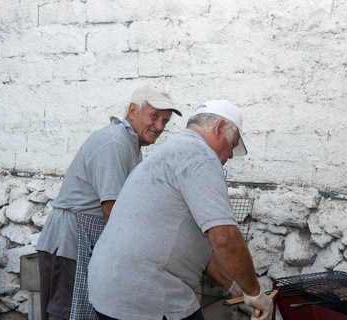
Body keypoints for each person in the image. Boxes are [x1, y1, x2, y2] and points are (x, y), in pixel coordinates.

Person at [87, 100, 274, 320]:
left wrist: (235, 286)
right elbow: (224, 237)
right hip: (146, 293)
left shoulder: (173, 150)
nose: (231, 155)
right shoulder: (201, 155)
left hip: (109, 288)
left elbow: (192, 247)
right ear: (220, 128)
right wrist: (256, 292)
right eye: (232, 145)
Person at [35, 84, 182, 320]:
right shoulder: (115, 143)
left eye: (165, 121)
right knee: (65, 313)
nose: (159, 126)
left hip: (86, 238)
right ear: (133, 110)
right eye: (154, 117)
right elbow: (112, 211)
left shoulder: (130, 143)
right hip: (72, 241)